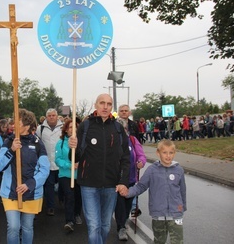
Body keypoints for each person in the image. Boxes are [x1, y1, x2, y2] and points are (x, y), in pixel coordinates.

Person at [68, 94, 130, 244]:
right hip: (89, 184)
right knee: (94, 225)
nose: (105, 106)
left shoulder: (118, 128)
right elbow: (74, 158)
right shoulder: (86, 126)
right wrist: (72, 148)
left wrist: (123, 181)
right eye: (102, 103)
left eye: (109, 104)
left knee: (105, 225)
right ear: (95, 105)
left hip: (110, 185)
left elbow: (126, 158)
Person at [0, 109, 50, 244]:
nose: (13, 125)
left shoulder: (38, 144)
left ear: (26, 125)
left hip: (31, 193)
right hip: (10, 192)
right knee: (13, 227)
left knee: (27, 227)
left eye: (17, 122)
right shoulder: (9, 142)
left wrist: (29, 185)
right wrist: (12, 150)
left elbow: (44, 169)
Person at [119, 139, 187, 244]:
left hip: (176, 213)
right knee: (159, 241)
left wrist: (182, 207)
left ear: (174, 153)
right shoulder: (152, 170)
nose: (168, 156)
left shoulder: (179, 170)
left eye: (171, 153)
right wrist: (128, 192)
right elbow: (140, 186)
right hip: (158, 214)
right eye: (164, 152)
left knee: (178, 241)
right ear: (158, 153)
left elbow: (182, 190)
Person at [114, 107, 147, 241]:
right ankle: (121, 226)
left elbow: (141, 155)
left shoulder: (133, 140)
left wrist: (140, 162)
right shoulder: (112, 142)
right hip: (116, 179)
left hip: (131, 177)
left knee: (127, 203)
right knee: (120, 204)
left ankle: (124, 220)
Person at [55, 119, 82, 233]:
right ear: (66, 129)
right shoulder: (60, 143)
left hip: (79, 176)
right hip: (65, 175)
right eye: (70, 127)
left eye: (75, 127)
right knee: (69, 197)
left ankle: (77, 214)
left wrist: (80, 164)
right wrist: (69, 165)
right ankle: (69, 220)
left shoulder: (81, 143)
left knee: (78, 196)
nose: (73, 129)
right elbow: (57, 160)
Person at [36, 108, 64, 216]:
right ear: (46, 117)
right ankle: (50, 206)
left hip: (60, 162)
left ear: (57, 116)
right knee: (49, 186)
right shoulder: (40, 129)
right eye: (49, 116)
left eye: (53, 115)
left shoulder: (63, 127)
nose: (51, 117)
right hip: (47, 161)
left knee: (62, 185)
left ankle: (62, 200)